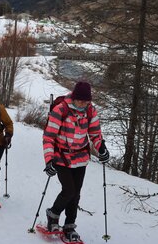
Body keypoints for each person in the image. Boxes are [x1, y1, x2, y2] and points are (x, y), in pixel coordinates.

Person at [42, 81, 110, 242]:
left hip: (80, 158)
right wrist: (49, 160)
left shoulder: (91, 111)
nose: (83, 104)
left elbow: (95, 134)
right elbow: (49, 136)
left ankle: (69, 226)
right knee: (69, 190)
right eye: (80, 101)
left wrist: (101, 149)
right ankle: (53, 216)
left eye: (86, 101)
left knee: (76, 194)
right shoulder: (61, 110)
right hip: (61, 156)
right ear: (74, 97)